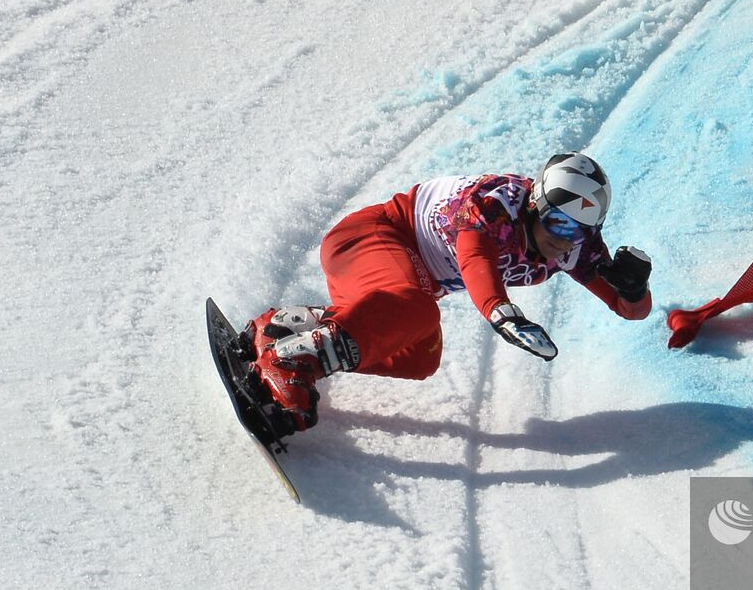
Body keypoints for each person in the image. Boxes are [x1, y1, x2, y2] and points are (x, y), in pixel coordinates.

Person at [239, 153, 653, 437]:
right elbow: (475, 258)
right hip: (369, 238)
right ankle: (289, 361)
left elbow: (629, 310)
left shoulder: (575, 244)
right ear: (536, 205)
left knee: (419, 357)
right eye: (561, 225)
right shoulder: (497, 203)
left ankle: (286, 329)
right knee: (419, 309)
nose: (569, 241)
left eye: (584, 230)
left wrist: (634, 290)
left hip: (394, 285)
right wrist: (501, 312)